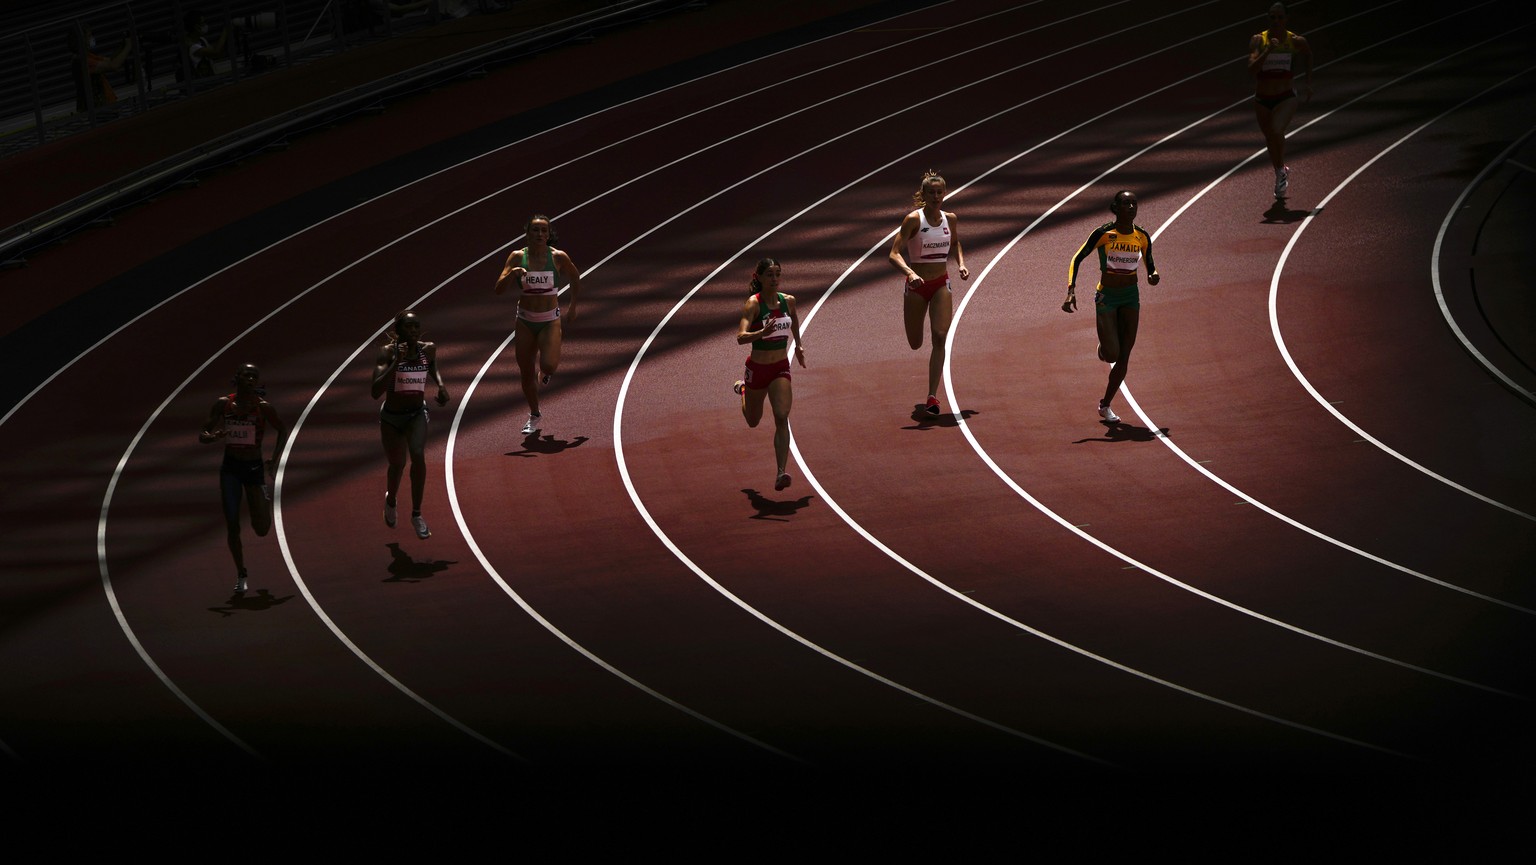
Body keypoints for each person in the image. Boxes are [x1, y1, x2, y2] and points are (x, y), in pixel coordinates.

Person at [1061, 190, 1161, 424]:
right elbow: (1077, 257)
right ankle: (1104, 348)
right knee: (1113, 354)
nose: (1131, 207)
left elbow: (1150, 265)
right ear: (1115, 208)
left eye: (1134, 203)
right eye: (1126, 203)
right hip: (1107, 296)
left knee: (1125, 356)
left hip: (1130, 296)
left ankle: (1105, 404)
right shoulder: (1104, 233)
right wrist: (1071, 290)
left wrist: (1153, 275)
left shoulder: (1142, 236)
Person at [199, 363, 287, 593]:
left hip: (254, 469)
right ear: (237, 377)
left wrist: (275, 459)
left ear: (257, 382)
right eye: (246, 375)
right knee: (232, 524)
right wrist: (212, 437)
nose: (250, 379)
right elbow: (203, 434)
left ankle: (262, 502)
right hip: (230, 469)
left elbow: (283, 430)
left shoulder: (264, 408)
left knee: (262, 529)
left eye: (254, 377)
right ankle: (241, 573)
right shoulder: (223, 404)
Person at [888, 169, 968, 415]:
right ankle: (930, 393)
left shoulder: (950, 219)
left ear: (945, 193)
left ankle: (932, 396)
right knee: (915, 343)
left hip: (941, 283)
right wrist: (910, 273)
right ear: (922, 194)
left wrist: (961, 264)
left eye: (939, 192)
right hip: (917, 287)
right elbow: (893, 253)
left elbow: (955, 243)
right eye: (931, 192)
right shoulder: (914, 220)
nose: (936, 196)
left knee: (940, 336)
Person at [493, 214, 582, 436]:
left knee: (549, 366)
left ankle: (547, 371)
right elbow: (498, 289)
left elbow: (575, 277)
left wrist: (572, 306)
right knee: (526, 373)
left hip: (549, 320)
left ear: (549, 234)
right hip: (525, 321)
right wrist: (512, 273)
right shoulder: (516, 257)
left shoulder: (558, 257)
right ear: (527, 234)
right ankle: (534, 414)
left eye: (544, 230)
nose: (540, 234)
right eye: (535, 230)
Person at [371, 309, 451, 540]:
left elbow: (433, 365)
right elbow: (375, 391)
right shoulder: (386, 353)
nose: (414, 331)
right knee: (397, 465)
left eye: (417, 326)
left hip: (416, 414)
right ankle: (391, 499)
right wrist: (397, 362)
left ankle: (416, 514)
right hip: (391, 418)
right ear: (398, 331)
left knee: (417, 454)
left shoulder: (428, 349)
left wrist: (441, 385)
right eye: (408, 327)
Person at [732, 258, 806, 492]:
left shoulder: (788, 301)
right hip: (758, 369)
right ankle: (743, 389)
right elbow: (740, 336)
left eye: (777, 274)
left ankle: (781, 472)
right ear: (760, 278)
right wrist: (761, 333)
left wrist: (799, 346)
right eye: (770, 275)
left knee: (782, 416)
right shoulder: (753, 304)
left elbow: (793, 320)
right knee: (753, 421)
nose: (774, 279)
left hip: (780, 368)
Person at [1248, 2, 1312, 200]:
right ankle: (1280, 171)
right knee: (1269, 138)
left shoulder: (1296, 41)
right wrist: (1267, 51)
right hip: (1262, 98)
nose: (1276, 21)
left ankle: (1281, 169)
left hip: (1285, 97)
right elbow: (1251, 69)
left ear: (1286, 19)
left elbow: (1308, 55)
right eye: (1272, 17)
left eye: (1280, 17)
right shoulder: (1259, 40)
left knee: (1277, 131)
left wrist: (1308, 83)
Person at [70, 26, 134, 112]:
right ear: (81, 40)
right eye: (89, 36)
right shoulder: (82, 61)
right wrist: (128, 47)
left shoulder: (86, 56)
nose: (91, 38)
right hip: (99, 110)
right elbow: (114, 65)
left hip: (104, 106)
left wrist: (122, 46)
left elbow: (111, 60)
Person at [181, 10, 231, 79]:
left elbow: (216, 53)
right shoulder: (192, 47)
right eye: (203, 23)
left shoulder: (202, 40)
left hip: (211, 78)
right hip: (204, 84)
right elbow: (216, 52)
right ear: (196, 26)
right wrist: (226, 31)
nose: (206, 25)